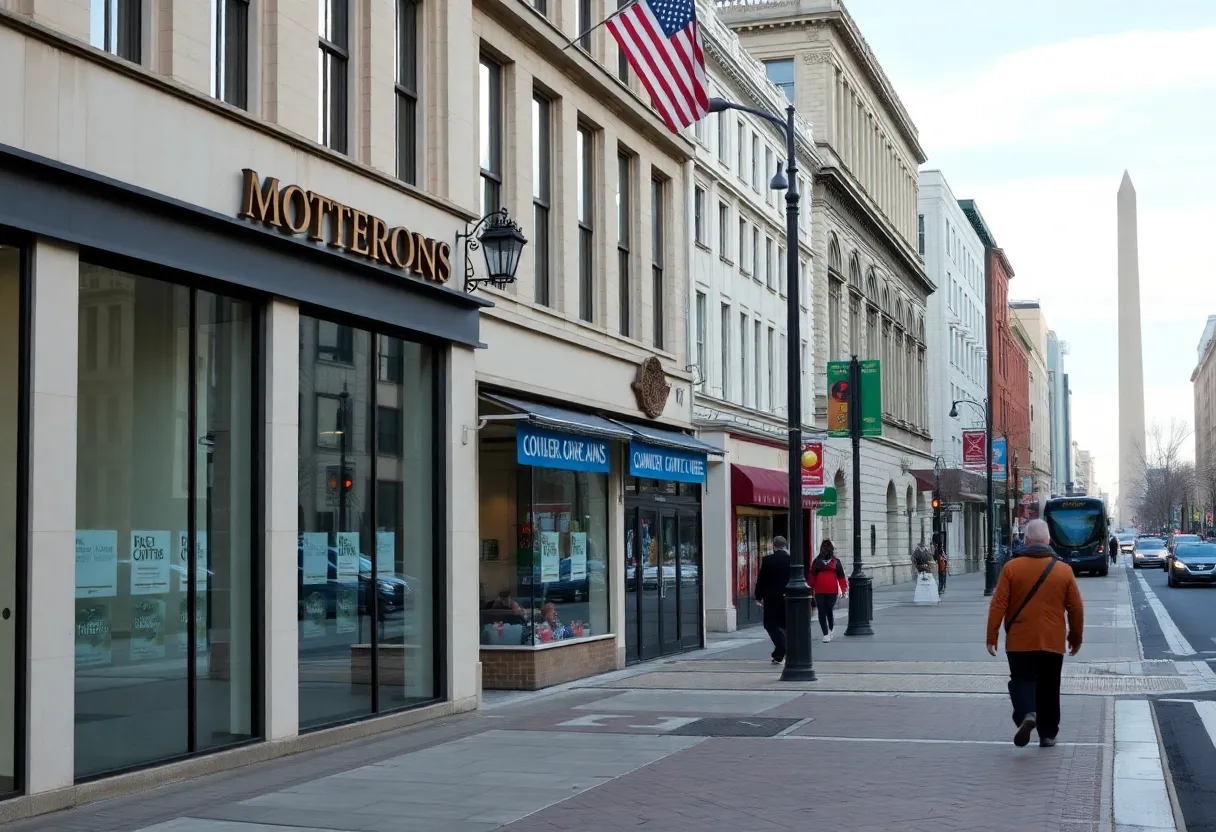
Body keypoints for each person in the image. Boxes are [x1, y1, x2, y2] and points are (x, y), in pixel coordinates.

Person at [986, 518, 1084, 748]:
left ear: (1027, 541)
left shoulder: (1011, 568)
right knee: (1050, 686)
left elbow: (998, 604)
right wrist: (1075, 638)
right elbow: (1076, 608)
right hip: (1053, 640)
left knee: (1021, 681)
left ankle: (1027, 714)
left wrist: (992, 636)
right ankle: (1047, 734)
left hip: (1020, 641)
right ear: (1048, 540)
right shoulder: (1064, 570)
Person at [755, 535, 792, 664]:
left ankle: (782, 648)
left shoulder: (767, 560)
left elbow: (761, 580)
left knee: (770, 624)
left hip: (771, 597)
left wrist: (758, 597)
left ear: (774, 545)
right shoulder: (791, 560)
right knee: (783, 625)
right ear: (785, 545)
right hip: (787, 597)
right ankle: (779, 653)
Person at [810, 540, 848, 642]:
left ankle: (831, 629)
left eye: (827, 547)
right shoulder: (816, 561)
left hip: (832, 590)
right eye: (824, 547)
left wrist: (844, 589)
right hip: (819, 590)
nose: (825, 549)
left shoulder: (836, 562)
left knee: (828, 610)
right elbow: (812, 576)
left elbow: (841, 577)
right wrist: (810, 587)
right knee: (822, 611)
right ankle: (826, 634)